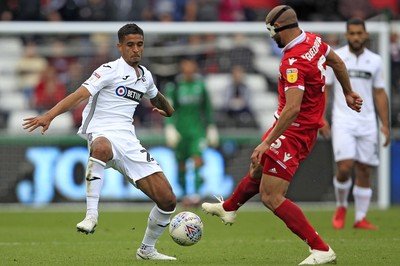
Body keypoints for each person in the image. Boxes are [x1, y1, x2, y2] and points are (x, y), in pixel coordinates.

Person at [202, 5, 363, 265]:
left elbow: (293, 108)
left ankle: (321, 248)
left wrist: (267, 141)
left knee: (271, 196)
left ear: (280, 29)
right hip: (298, 126)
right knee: (257, 169)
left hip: (294, 131)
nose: (270, 37)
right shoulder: (313, 40)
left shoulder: (293, 61)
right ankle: (229, 208)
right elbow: (337, 62)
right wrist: (347, 92)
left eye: (271, 31)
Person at [23, 23, 178, 261]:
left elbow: (156, 97)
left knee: (168, 200)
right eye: (130, 45)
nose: (135, 50)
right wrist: (49, 116)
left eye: (139, 44)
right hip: (102, 131)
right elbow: (79, 95)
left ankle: (146, 250)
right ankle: (91, 215)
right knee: (102, 147)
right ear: (120, 47)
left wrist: (168, 111)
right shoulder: (108, 70)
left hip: (129, 140)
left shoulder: (145, 76)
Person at [320, 18, 390, 230]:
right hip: (343, 120)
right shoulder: (337, 57)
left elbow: (379, 92)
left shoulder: (376, 61)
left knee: (364, 169)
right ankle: (341, 205)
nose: (356, 37)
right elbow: (327, 89)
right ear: (347, 35)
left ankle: (360, 217)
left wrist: (385, 124)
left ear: (366, 34)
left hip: (368, 122)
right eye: (352, 33)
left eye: (359, 33)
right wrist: (321, 117)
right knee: (345, 167)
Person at [164, 57, 219, 206]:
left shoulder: (201, 86)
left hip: (197, 131)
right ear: (182, 67)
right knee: (181, 164)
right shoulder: (174, 87)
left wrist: (211, 127)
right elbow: (169, 108)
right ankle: (183, 194)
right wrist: (169, 127)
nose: (188, 69)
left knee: (197, 160)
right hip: (181, 131)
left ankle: (195, 195)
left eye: (191, 65)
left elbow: (207, 109)